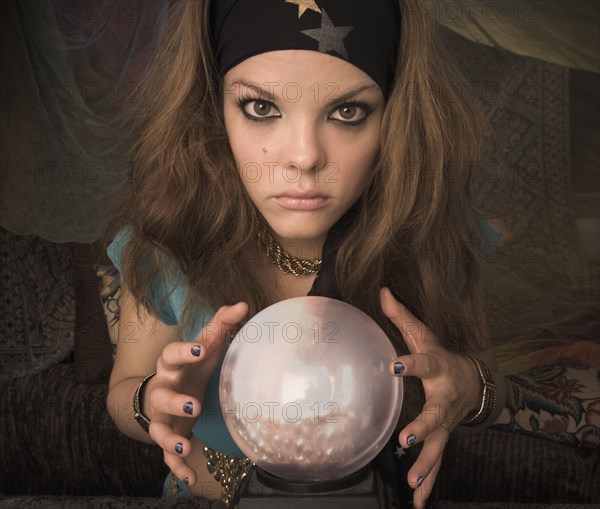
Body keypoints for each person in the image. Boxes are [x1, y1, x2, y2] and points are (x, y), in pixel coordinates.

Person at [102, 1, 507, 507]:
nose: (304, 157)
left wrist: (468, 388)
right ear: (213, 108)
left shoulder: (436, 242)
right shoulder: (168, 244)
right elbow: (123, 393)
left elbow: (487, 391)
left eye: (347, 112)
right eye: (261, 108)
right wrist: (152, 404)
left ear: (395, 115)